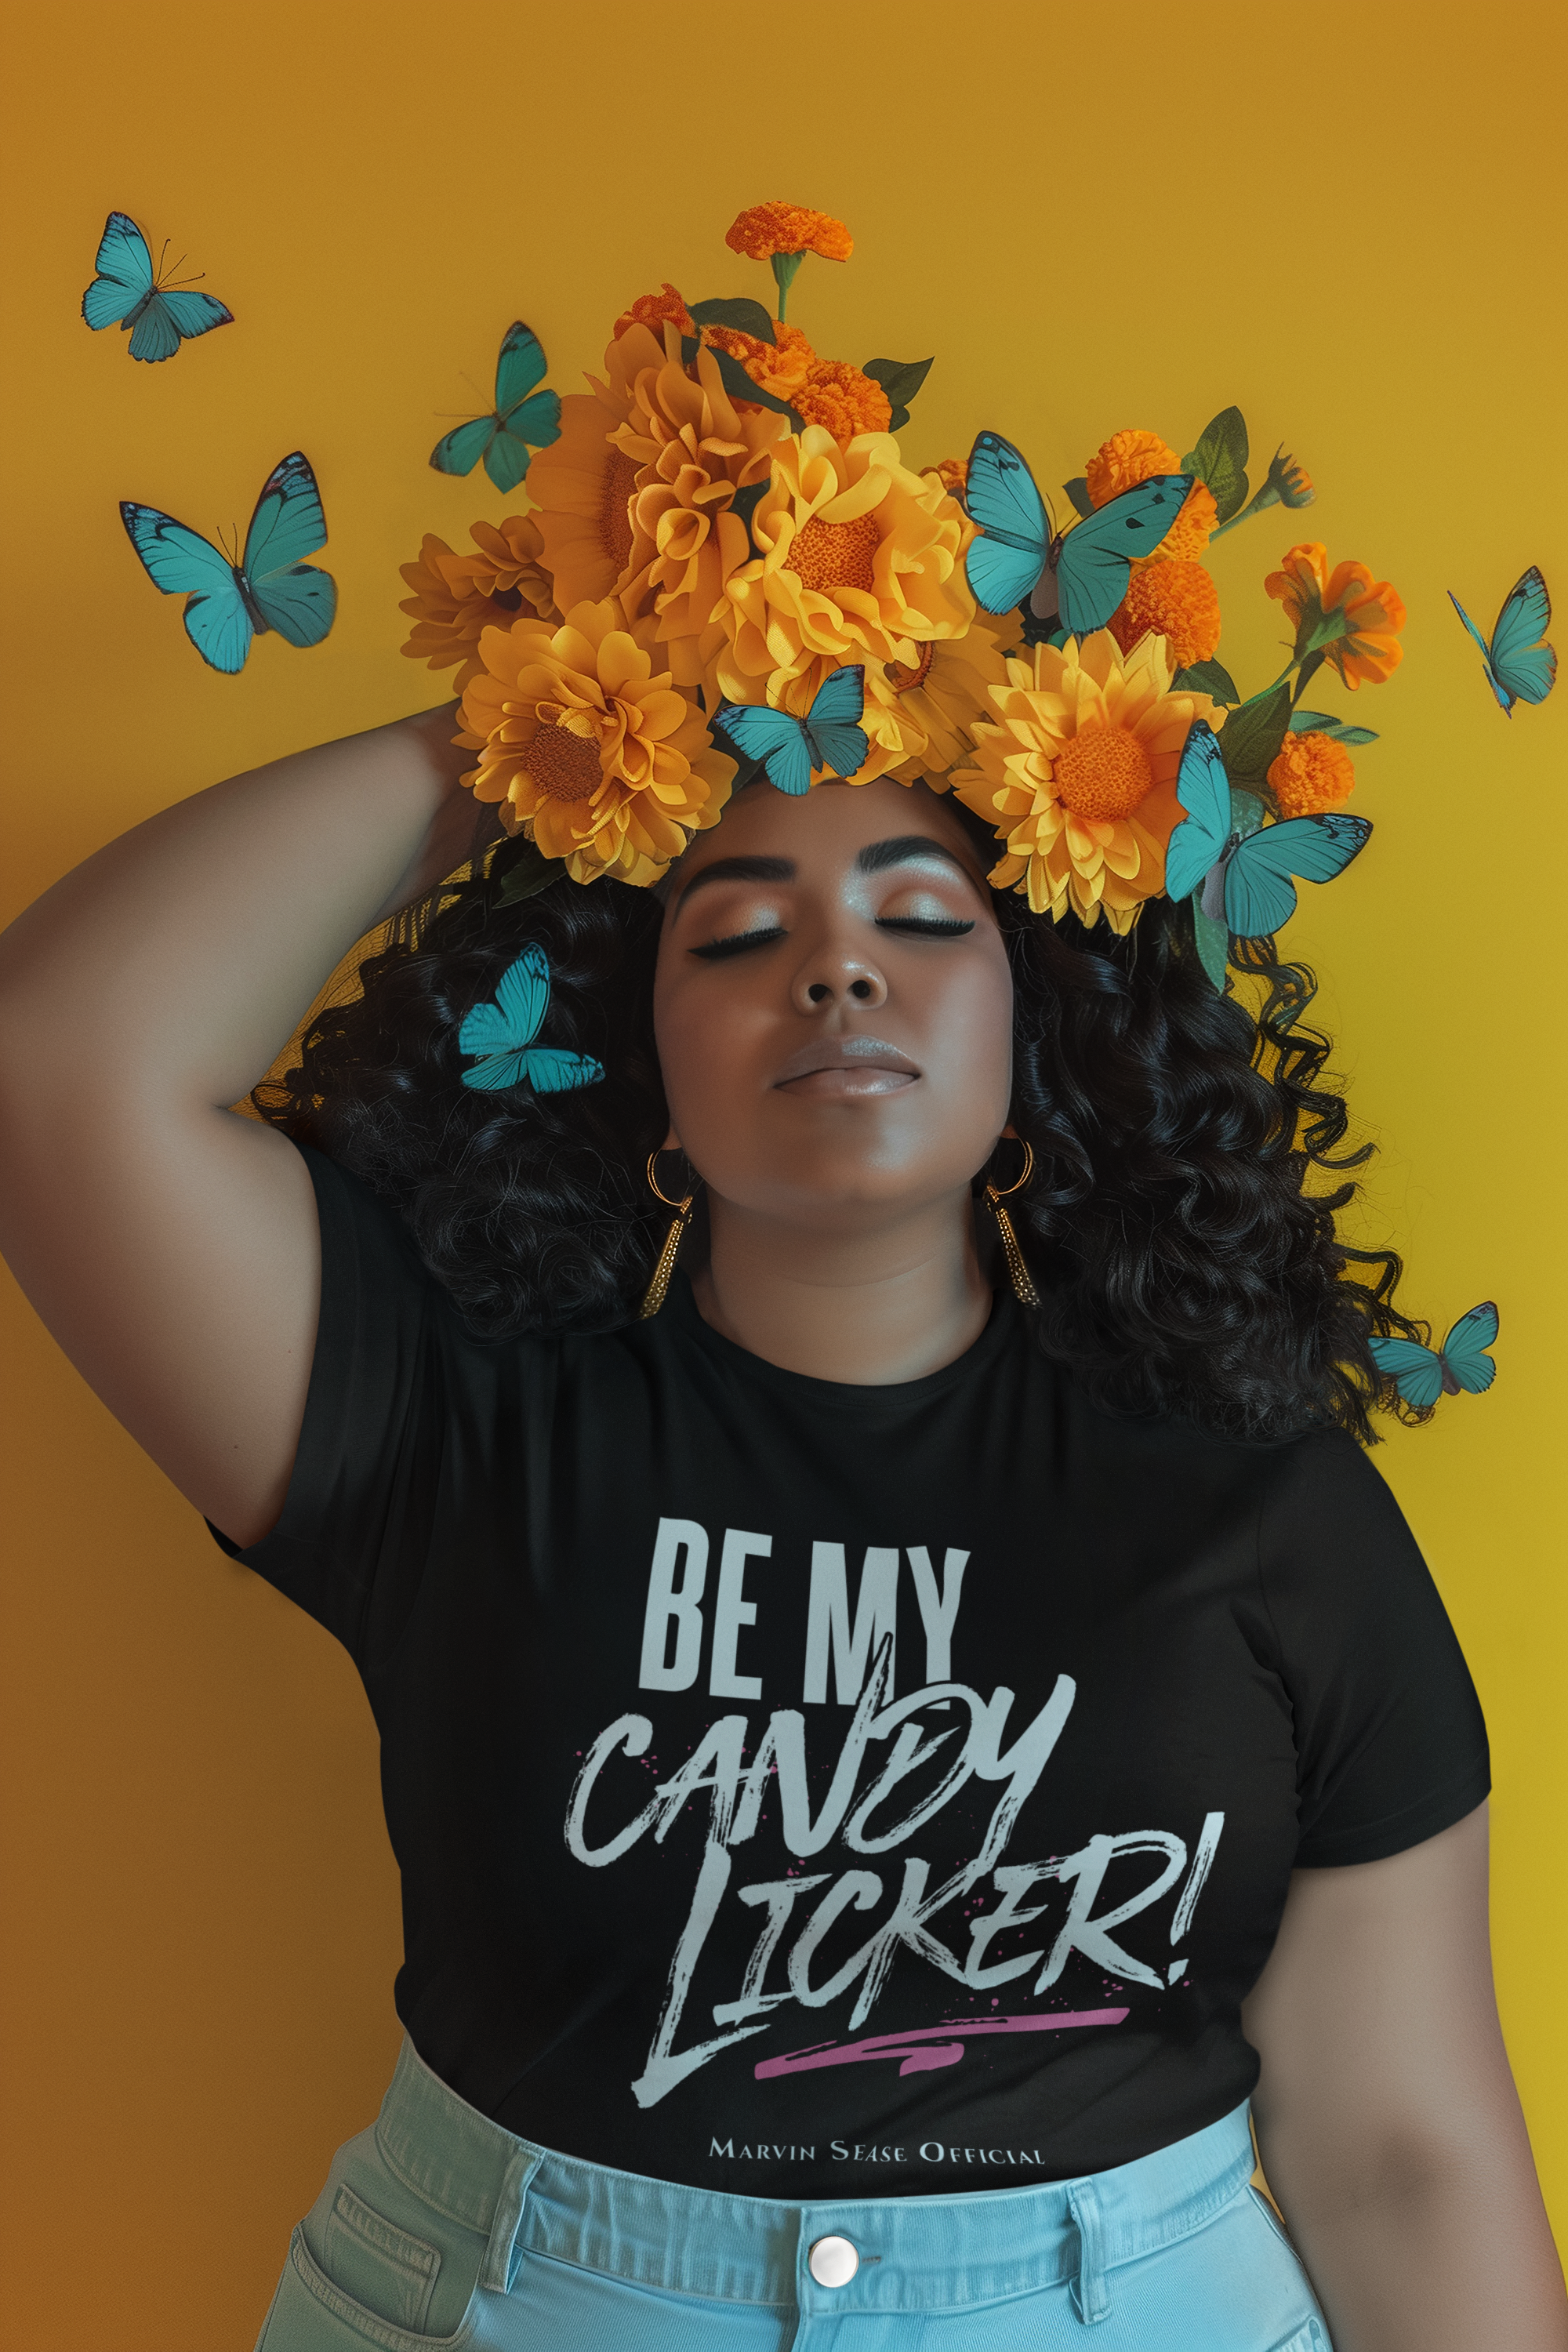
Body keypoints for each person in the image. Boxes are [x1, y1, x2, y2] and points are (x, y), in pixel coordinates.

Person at [0, 699, 1563, 2352]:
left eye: (921, 917)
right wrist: (569, 713)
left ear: (1031, 1025)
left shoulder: (1264, 1499)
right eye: (740, 930)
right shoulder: (450, 1427)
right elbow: (60, 1062)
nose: (833, 968)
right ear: (645, 1064)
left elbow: (1399, 2154)